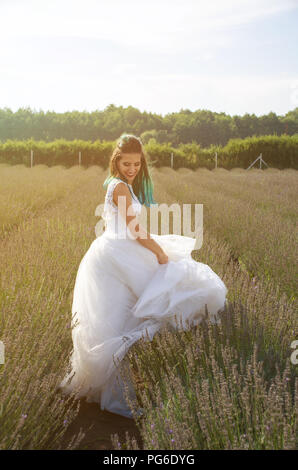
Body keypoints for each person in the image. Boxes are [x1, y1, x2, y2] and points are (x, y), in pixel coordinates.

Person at [58, 133, 227, 418]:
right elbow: (135, 230)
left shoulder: (124, 185)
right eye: (126, 163)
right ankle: (110, 392)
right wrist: (159, 252)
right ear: (116, 161)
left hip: (118, 252)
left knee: (119, 319)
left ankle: (102, 387)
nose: (132, 168)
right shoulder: (120, 187)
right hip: (116, 255)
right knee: (153, 294)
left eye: (136, 163)